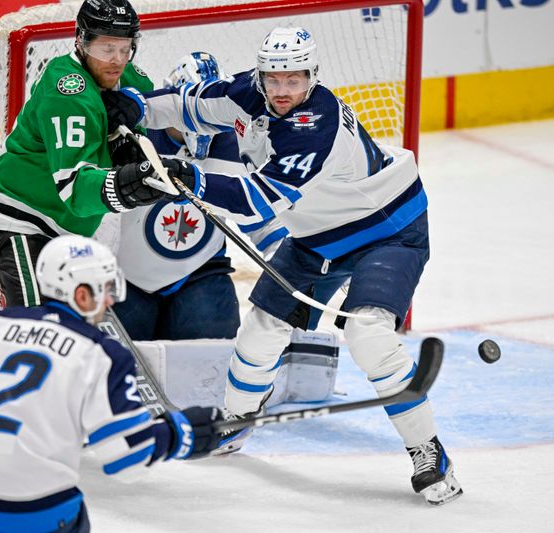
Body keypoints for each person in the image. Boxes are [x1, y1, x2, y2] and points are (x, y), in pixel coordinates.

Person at [102, 27, 463, 505]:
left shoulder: (316, 126)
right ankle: (235, 424)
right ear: (261, 74)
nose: (283, 90)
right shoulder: (247, 93)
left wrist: (187, 177)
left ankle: (429, 450)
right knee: (260, 332)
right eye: (274, 77)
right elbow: (189, 105)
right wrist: (135, 106)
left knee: (369, 336)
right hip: (316, 237)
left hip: (387, 228)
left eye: (294, 78)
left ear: (312, 76)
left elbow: (259, 201)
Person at [0, 235, 224, 532]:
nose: (110, 301)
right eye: (105, 288)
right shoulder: (102, 354)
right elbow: (126, 457)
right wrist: (179, 432)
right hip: (32, 515)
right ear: (81, 294)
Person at [0, 0, 166, 308]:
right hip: (21, 216)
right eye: (106, 50)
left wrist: (136, 117)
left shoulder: (131, 77)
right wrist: (128, 185)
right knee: (36, 323)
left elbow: (149, 100)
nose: (117, 60)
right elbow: (74, 190)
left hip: (71, 226)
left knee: (75, 327)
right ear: (81, 40)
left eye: (125, 48)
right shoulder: (68, 92)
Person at [113, 51, 287, 341]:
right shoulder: (131, 139)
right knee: (113, 373)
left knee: (212, 369)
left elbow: (262, 221)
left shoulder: (240, 149)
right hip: (124, 279)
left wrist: (292, 269)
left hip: (200, 277)